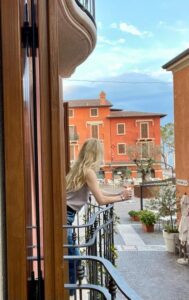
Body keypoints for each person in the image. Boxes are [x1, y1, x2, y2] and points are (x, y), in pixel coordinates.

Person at [66, 138, 132, 290]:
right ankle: (68, 292)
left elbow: (98, 191)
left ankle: (71, 288)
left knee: (73, 257)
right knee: (74, 258)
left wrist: (118, 193)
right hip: (66, 214)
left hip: (67, 214)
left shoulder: (79, 168)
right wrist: (122, 197)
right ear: (96, 154)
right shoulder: (89, 172)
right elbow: (101, 200)